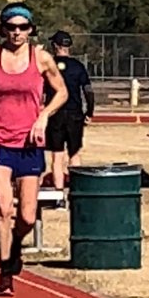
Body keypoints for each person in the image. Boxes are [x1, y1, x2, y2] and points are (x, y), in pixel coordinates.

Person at [0, 3, 66, 296]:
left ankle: (15, 247)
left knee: (28, 217)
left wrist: (44, 115)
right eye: (11, 26)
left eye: (23, 27)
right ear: (3, 28)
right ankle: (4, 272)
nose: (17, 32)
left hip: (30, 143)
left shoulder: (41, 58)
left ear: (31, 30)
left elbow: (62, 92)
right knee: (4, 207)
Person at [44, 30, 94, 204]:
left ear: (55, 46)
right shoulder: (78, 66)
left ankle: (59, 197)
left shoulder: (48, 65)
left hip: (55, 114)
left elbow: (41, 92)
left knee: (57, 156)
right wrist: (90, 112)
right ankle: (76, 192)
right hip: (74, 114)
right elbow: (88, 91)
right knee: (75, 154)